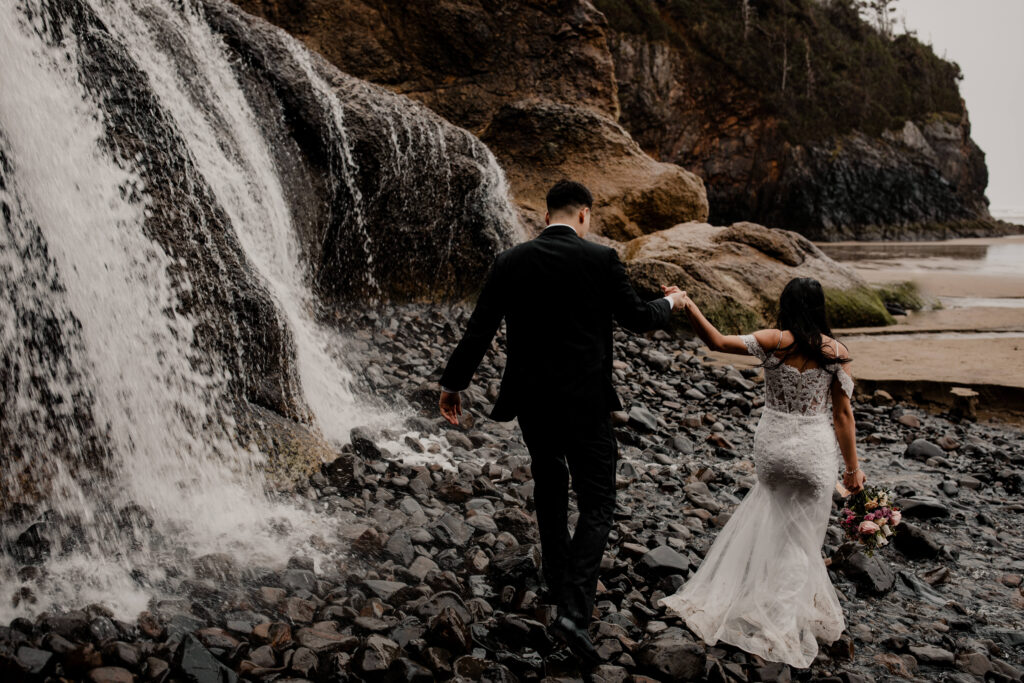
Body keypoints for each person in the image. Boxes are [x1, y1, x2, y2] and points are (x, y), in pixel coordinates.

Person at [438, 179, 685, 664]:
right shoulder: (601, 260)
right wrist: (673, 305)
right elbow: (636, 317)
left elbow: (480, 327)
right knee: (597, 500)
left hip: (532, 402)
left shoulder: (511, 261)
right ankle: (574, 608)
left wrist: (454, 383)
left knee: (550, 486)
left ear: (546, 214)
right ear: (584, 215)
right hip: (586, 402)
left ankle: (558, 586)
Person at [659, 277, 865, 669]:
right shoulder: (835, 351)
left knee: (776, 526)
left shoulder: (774, 340)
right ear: (820, 307)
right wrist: (853, 470)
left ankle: (757, 601)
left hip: (773, 450)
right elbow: (842, 415)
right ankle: (780, 623)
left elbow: (716, 342)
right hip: (813, 452)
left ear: (786, 304)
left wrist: (687, 305)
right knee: (803, 540)